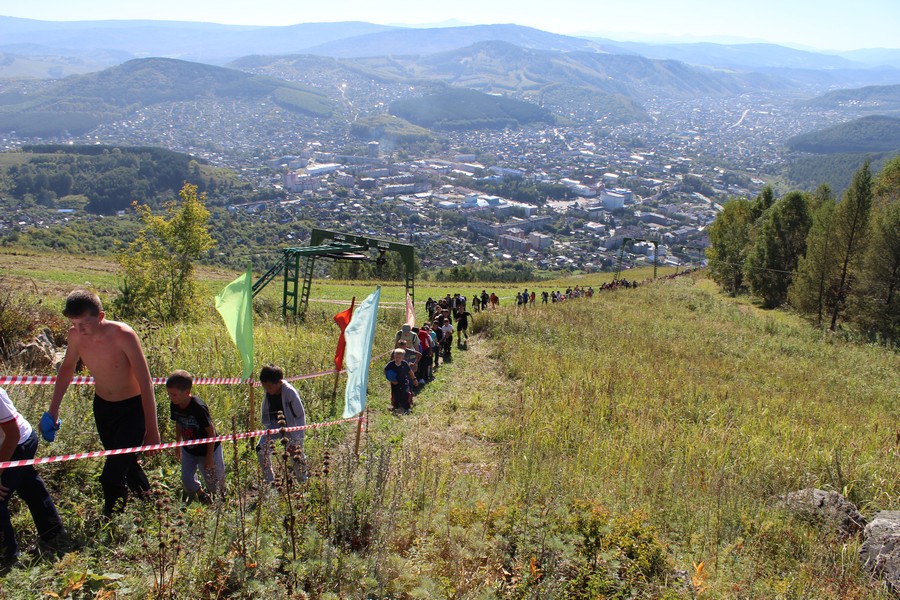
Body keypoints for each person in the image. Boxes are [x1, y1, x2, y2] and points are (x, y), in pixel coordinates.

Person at [42, 289, 159, 516]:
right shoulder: (75, 335)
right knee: (124, 460)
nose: (79, 329)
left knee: (111, 474)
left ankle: (111, 518)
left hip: (132, 410)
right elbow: (67, 369)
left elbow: (146, 383)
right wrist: (52, 410)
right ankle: (151, 505)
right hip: (104, 408)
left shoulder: (123, 335)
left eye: (85, 323)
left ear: (101, 316)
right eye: (74, 323)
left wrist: (152, 429)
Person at [0, 387, 70, 568]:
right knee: (28, 485)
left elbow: (12, 435)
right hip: (7, 443)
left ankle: (8, 558)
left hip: (19, 443)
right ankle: (54, 534)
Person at [165, 371, 225, 503]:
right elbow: (179, 423)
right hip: (189, 449)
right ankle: (201, 494)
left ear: (186, 393)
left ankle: (221, 501)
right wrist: (178, 445)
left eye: (173, 394)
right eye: (169, 394)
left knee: (214, 483)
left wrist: (209, 457)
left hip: (208, 450)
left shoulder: (198, 407)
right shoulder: (174, 405)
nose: (170, 397)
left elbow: (211, 431)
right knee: (186, 479)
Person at [256, 365, 306, 484]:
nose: (267, 390)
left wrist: (296, 440)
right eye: (264, 386)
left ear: (279, 382)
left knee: (295, 453)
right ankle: (270, 480)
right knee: (260, 448)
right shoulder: (268, 391)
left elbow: (300, 416)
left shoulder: (290, 393)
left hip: (292, 427)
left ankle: (303, 481)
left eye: (269, 387)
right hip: (274, 426)